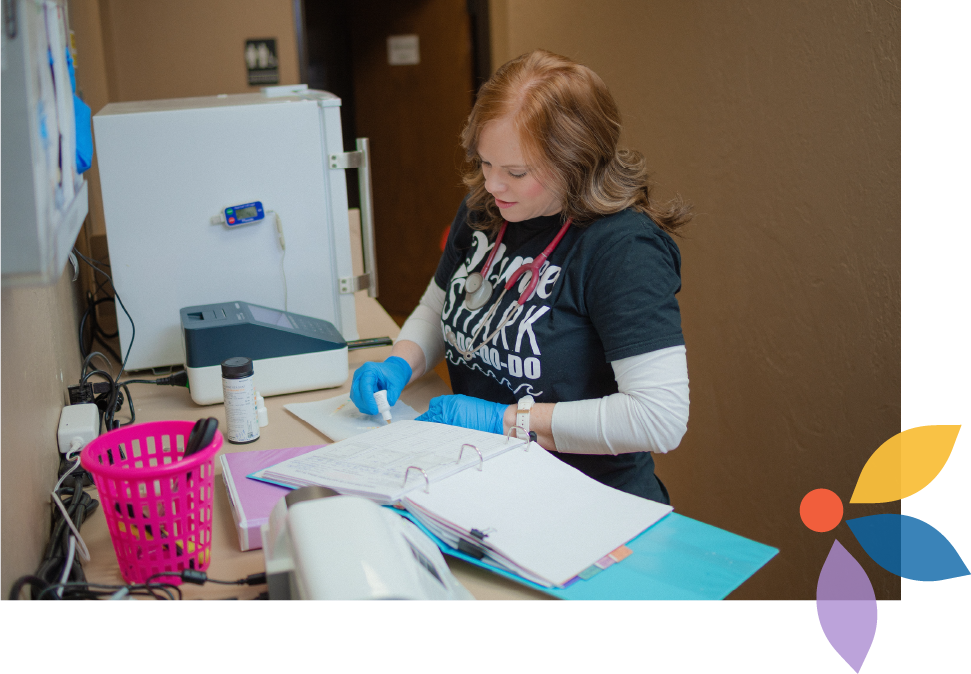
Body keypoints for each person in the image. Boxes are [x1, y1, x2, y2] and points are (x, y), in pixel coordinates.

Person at [350, 50, 691, 504]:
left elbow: (659, 418)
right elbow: (438, 306)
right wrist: (402, 363)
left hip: (589, 501)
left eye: (515, 172)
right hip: (486, 479)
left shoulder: (622, 251)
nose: (492, 185)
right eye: (485, 163)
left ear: (576, 162)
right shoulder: (485, 208)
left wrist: (508, 422)